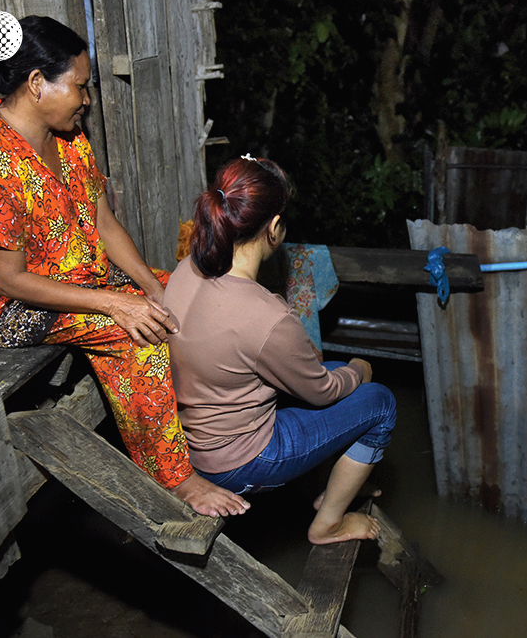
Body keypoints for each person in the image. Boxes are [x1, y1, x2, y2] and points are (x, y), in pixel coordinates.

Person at [0, 15, 248, 518]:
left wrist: (152, 286)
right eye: (80, 86)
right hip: (17, 310)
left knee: (189, 292)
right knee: (138, 332)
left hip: (85, 280)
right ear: (37, 83)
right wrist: (115, 303)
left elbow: (104, 224)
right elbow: (8, 280)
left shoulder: (69, 141)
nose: (86, 99)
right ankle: (174, 479)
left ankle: (216, 426)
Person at [164, 156, 397, 544]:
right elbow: (321, 392)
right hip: (243, 462)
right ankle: (328, 523)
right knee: (380, 401)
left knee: (332, 369)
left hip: (198, 440)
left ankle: (338, 479)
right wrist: (360, 368)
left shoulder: (188, 268)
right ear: (273, 228)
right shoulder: (266, 315)